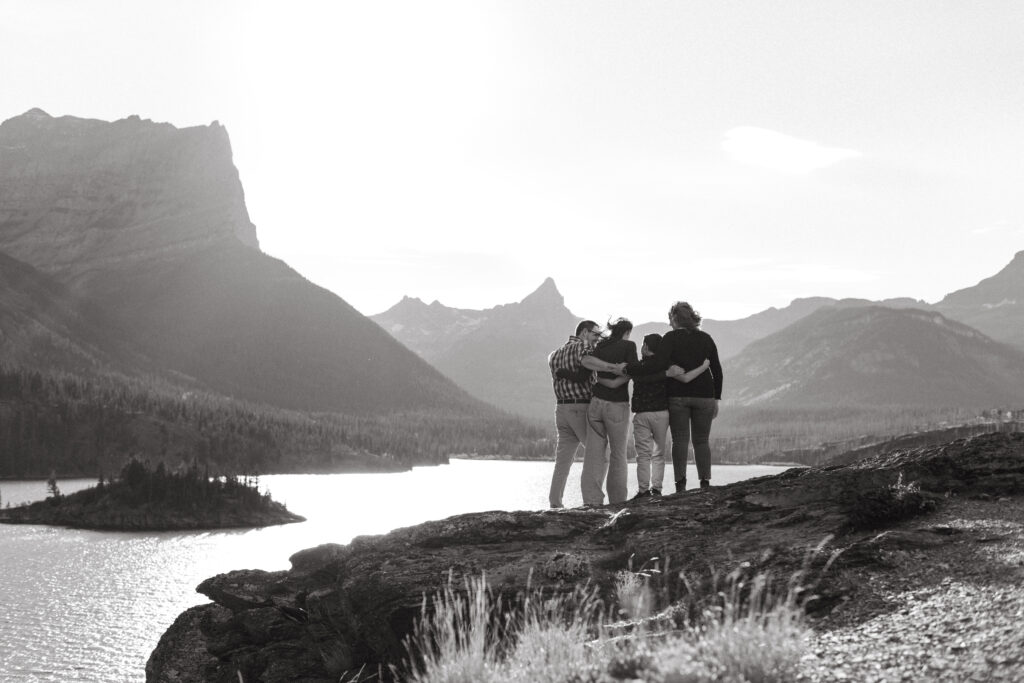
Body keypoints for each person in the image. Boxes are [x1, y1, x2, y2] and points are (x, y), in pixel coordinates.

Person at [622, 302, 723, 492]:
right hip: (705, 396)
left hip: (678, 396)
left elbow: (657, 363)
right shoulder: (706, 339)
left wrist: (630, 368)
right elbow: (716, 370)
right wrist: (716, 398)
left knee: (680, 440)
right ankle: (705, 483)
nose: (669, 324)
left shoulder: (670, 338)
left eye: (670, 319)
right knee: (702, 440)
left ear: (676, 319)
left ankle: (680, 485)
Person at [597, 333, 709, 498]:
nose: (642, 347)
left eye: (643, 344)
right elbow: (685, 378)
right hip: (662, 414)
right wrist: (703, 367)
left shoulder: (637, 366)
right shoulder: (665, 366)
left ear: (646, 347)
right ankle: (657, 490)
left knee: (643, 455)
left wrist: (600, 377)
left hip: (641, 414)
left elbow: (619, 378)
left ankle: (643, 491)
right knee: (659, 454)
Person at [546, 320, 622, 508]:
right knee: (601, 453)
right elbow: (587, 362)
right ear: (585, 332)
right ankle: (593, 500)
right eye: (596, 334)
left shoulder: (554, 354)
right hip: (580, 408)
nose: (597, 339)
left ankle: (555, 504)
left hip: (561, 409)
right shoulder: (583, 346)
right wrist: (614, 367)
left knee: (563, 461)